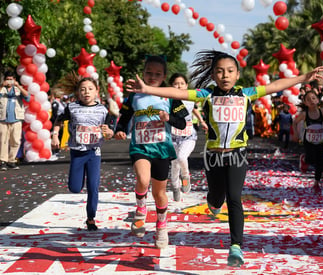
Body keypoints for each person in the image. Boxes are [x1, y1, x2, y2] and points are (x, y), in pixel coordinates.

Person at [125, 50, 323, 267]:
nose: (225, 75)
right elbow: (176, 93)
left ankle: (236, 246)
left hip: (237, 154)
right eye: (219, 71)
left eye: (230, 71)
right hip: (213, 156)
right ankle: (213, 202)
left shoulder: (246, 93)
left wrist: (303, 78)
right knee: (217, 198)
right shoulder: (206, 94)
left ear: (238, 74)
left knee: (235, 198)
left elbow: (275, 86)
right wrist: (147, 89)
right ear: (213, 75)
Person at [114, 55, 188, 249]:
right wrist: (120, 130)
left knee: (159, 193)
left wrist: (168, 117)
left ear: (164, 76)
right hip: (140, 147)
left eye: (157, 74)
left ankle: (161, 227)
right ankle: (140, 210)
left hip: (162, 149)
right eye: (148, 73)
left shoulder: (170, 96)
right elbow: (124, 117)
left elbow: (182, 123)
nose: (152, 77)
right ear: (143, 72)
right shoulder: (134, 96)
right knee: (143, 180)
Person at [51, 77, 114, 231]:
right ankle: (78, 181)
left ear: (97, 91)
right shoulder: (71, 107)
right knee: (74, 187)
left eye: (90, 89)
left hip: (94, 153)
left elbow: (110, 131)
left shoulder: (103, 110)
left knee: (93, 186)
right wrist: (55, 134)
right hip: (77, 153)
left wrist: (108, 132)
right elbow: (59, 120)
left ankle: (91, 218)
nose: (86, 92)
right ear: (78, 92)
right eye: (83, 89)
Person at [168, 73, 208, 202]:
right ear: (171, 86)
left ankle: (185, 177)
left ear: (186, 85)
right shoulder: (168, 100)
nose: (179, 86)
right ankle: (175, 187)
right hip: (172, 137)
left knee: (181, 157)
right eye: (176, 84)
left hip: (189, 136)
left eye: (182, 83)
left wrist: (201, 121)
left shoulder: (190, 98)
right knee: (174, 164)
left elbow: (195, 109)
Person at [292, 90, 323, 195]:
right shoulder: (305, 114)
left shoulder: (322, 112)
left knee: (320, 162)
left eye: (313, 98)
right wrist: (295, 134)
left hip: (319, 141)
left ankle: (316, 183)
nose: (312, 101)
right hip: (308, 141)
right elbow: (295, 123)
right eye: (308, 100)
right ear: (305, 103)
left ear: (318, 100)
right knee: (310, 159)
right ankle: (304, 159)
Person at [0, 70, 30, 170]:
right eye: (7, 79)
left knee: (16, 140)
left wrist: (18, 86)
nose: (9, 82)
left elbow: (28, 97)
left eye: (11, 79)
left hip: (16, 119)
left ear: (14, 80)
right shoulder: (2, 90)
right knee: (3, 141)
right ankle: (3, 161)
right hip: (3, 119)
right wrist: (1, 86)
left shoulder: (17, 90)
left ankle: (11, 160)